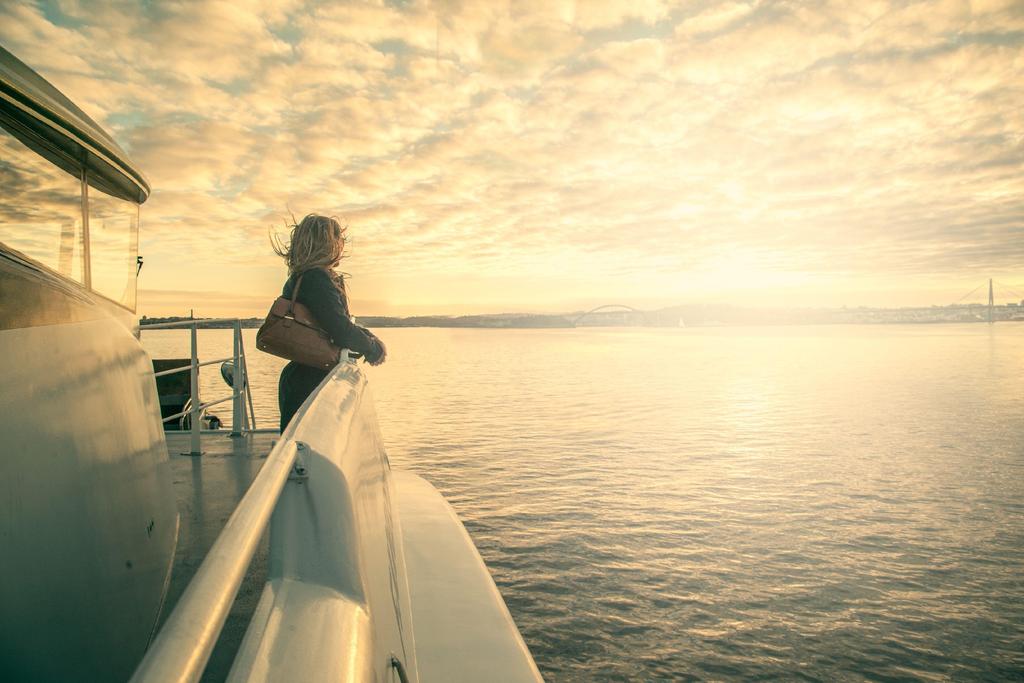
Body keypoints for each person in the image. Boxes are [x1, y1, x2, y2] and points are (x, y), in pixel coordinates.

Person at [272, 214, 386, 430]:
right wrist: (372, 349)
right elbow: (340, 330)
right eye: (338, 239)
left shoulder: (304, 276)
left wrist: (367, 335)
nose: (342, 245)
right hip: (310, 382)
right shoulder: (316, 279)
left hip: (303, 378)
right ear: (327, 244)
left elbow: (328, 321)